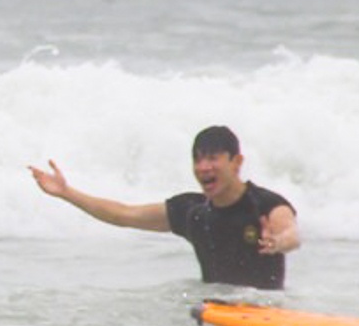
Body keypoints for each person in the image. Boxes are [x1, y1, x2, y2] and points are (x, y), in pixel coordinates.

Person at [28, 124, 299, 290]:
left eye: (212, 159)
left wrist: (277, 242)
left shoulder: (264, 204)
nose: (203, 167)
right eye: (197, 160)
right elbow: (124, 214)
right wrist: (67, 193)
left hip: (267, 314)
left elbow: (291, 234)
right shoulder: (193, 212)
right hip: (217, 316)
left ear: (236, 162)